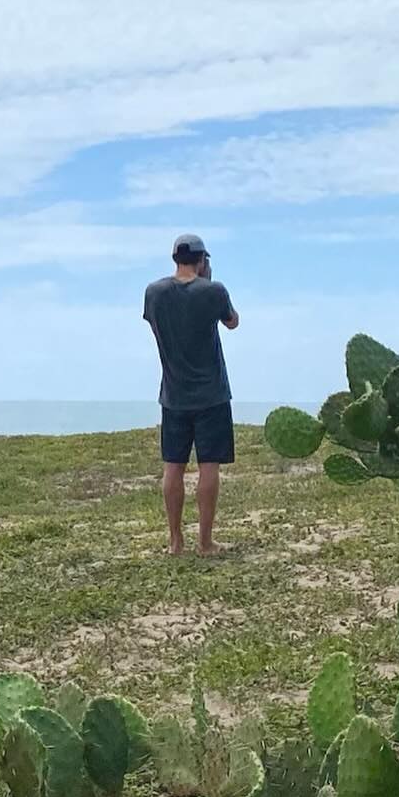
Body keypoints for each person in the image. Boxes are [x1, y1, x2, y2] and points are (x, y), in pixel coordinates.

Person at [143, 234, 239, 556]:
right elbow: (233, 322)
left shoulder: (154, 292)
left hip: (173, 394)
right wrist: (207, 281)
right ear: (202, 260)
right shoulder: (212, 290)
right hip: (211, 393)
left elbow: (156, 328)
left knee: (174, 467)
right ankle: (205, 542)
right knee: (208, 467)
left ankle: (175, 541)